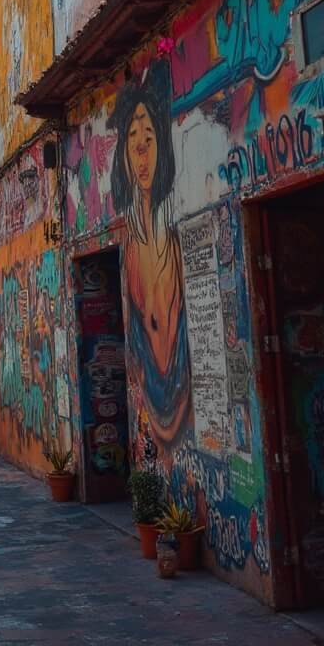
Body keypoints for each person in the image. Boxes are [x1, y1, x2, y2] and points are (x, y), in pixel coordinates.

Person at [109, 63, 190, 448]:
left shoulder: (174, 242)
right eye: (132, 137)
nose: (141, 147)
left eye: (149, 135)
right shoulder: (128, 257)